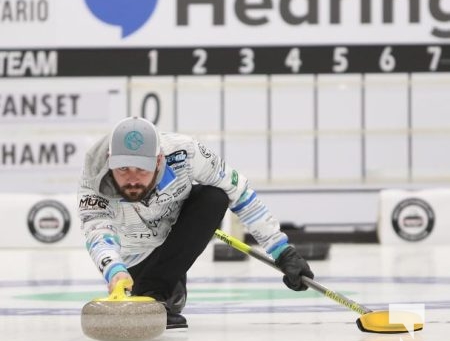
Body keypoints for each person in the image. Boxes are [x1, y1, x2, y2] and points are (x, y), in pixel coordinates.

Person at [77, 116, 314, 329]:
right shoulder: (93, 174)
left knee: (214, 197)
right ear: (110, 161)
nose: (132, 179)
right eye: (123, 169)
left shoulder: (184, 153)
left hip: (170, 238)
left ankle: (158, 290)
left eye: (141, 169)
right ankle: (160, 283)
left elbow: (239, 192)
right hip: (131, 257)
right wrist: (114, 270)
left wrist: (282, 251)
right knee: (139, 279)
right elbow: (97, 229)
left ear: (159, 160)